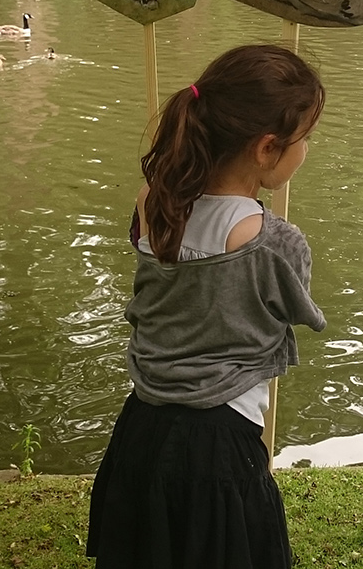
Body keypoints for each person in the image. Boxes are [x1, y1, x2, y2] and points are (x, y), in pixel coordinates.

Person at [87, 44, 328, 569]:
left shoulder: (153, 202)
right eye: (304, 138)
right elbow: (296, 311)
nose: (306, 149)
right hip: (222, 441)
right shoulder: (274, 241)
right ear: (267, 148)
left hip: (141, 428)